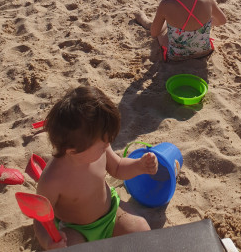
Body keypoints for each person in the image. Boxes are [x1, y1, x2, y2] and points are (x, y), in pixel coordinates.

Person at [34, 86, 158, 250]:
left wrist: (139, 166)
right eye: (103, 144)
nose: (108, 145)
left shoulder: (100, 148)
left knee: (141, 229)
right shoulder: (52, 179)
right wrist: (47, 241)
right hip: (75, 229)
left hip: (111, 215)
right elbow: (40, 218)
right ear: (72, 151)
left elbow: (118, 168)